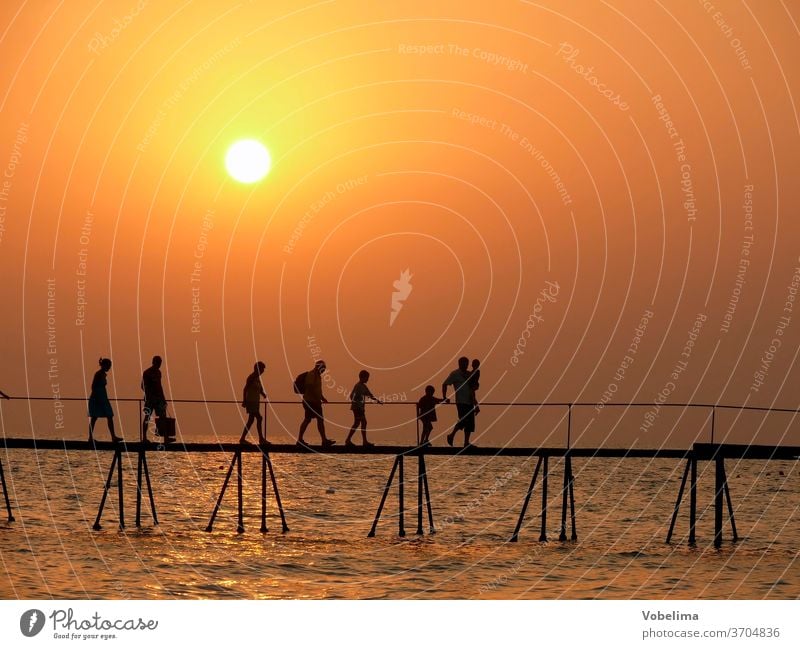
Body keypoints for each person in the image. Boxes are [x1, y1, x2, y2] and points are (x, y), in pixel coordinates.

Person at [297, 360, 336, 447]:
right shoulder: (312, 374)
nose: (323, 371)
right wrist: (317, 398)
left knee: (316, 420)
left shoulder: (318, 376)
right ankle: (300, 439)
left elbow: (317, 389)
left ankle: (323, 440)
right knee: (309, 420)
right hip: (310, 402)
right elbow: (310, 387)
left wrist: (322, 398)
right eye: (323, 369)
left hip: (315, 402)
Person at [442, 356, 477, 448]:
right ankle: (451, 435)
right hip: (461, 401)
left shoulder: (470, 374)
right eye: (463, 363)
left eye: (466, 363)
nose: (465, 365)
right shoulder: (455, 374)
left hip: (470, 401)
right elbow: (445, 384)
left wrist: (476, 404)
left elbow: (473, 390)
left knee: (470, 423)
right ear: (459, 363)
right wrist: (444, 397)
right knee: (463, 420)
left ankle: (466, 443)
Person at [345, 370, 382, 447]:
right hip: (357, 408)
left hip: (360, 408)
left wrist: (377, 401)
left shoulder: (363, 386)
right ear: (363, 377)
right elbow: (352, 396)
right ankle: (359, 441)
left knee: (358, 423)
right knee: (361, 423)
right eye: (367, 378)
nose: (368, 379)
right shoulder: (358, 386)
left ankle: (352, 440)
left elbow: (370, 395)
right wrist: (357, 403)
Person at [88, 358, 121, 442]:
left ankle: (113, 436)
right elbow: (93, 386)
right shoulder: (98, 374)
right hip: (97, 398)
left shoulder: (103, 374)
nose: (109, 368)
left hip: (103, 398)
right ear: (104, 365)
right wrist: (97, 398)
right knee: (94, 417)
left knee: (109, 416)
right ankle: (90, 437)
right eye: (109, 366)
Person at [240, 361, 267, 445]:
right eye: (262, 369)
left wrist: (263, 394)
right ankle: (261, 439)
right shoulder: (251, 377)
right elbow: (245, 389)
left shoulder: (257, 378)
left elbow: (260, 389)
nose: (263, 371)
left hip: (256, 402)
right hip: (251, 401)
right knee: (259, 418)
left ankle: (242, 439)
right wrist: (244, 400)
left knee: (251, 420)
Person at [141, 355, 168, 443]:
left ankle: (164, 436)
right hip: (149, 399)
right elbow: (142, 386)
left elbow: (160, 386)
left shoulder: (159, 372)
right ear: (154, 362)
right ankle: (144, 438)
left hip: (158, 399)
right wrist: (149, 393)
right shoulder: (147, 372)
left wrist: (163, 398)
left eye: (160, 363)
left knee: (163, 416)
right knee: (147, 417)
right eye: (158, 363)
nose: (159, 365)